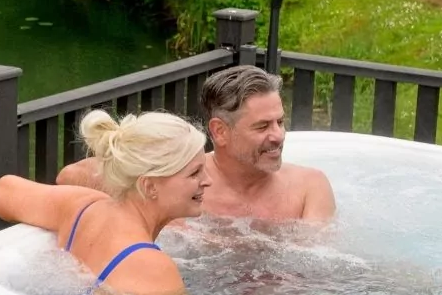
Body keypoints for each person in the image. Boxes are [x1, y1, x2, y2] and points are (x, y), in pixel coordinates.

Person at [0, 109, 207, 295]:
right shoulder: (153, 267)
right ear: (149, 186)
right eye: (194, 173)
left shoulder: (83, 207)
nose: (207, 181)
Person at [57, 66, 335, 222]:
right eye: (262, 126)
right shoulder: (178, 185)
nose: (278, 136)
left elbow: (312, 279)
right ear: (220, 131)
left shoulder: (308, 188)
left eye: (280, 122)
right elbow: (70, 177)